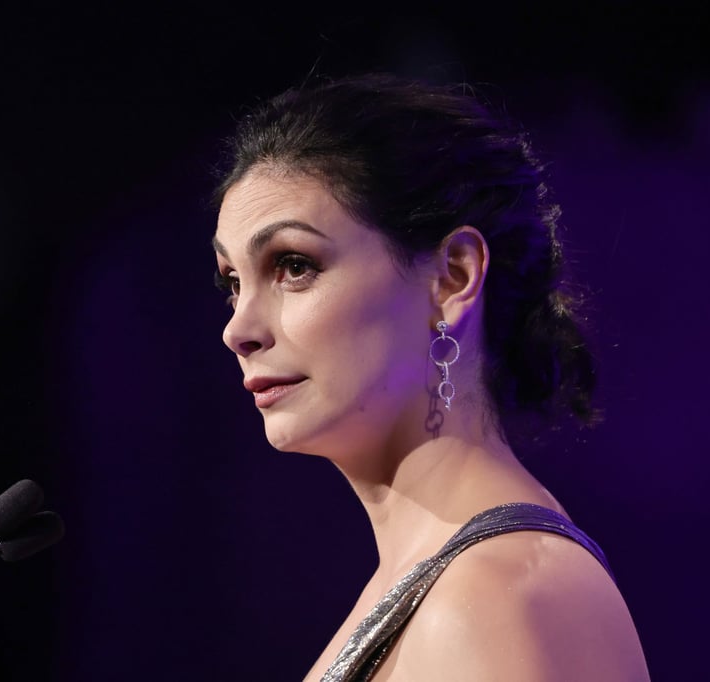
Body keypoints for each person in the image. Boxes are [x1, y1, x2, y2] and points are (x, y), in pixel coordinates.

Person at [210, 74, 650, 681]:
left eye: (293, 265)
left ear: (452, 277)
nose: (239, 328)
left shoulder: (493, 599)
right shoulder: (437, 585)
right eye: (233, 282)